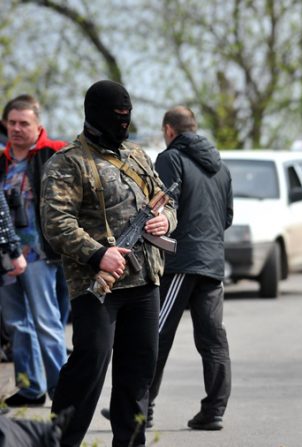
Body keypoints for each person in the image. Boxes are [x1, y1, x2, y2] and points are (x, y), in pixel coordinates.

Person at [40, 80, 177, 447]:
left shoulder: (137, 156)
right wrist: (99, 253)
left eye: (127, 116)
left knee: (137, 379)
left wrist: (166, 222)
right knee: (88, 370)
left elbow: (166, 202)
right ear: (95, 115)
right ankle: (59, 440)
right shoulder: (69, 163)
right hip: (97, 286)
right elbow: (56, 223)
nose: (123, 122)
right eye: (117, 116)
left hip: (145, 283)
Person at [147, 106, 233, 429]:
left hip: (180, 260)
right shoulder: (221, 166)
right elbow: (226, 218)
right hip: (212, 263)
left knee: (155, 333)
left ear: (169, 130)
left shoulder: (170, 159)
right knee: (213, 339)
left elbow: (163, 206)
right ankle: (214, 411)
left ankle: (140, 409)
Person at [0, 95, 68, 407]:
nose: (16, 128)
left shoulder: (55, 153)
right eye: (11, 122)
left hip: (41, 254)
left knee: (46, 321)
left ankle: (61, 390)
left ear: (38, 125)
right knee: (16, 323)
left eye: (23, 123)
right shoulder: (2, 160)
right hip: (6, 256)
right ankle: (31, 388)